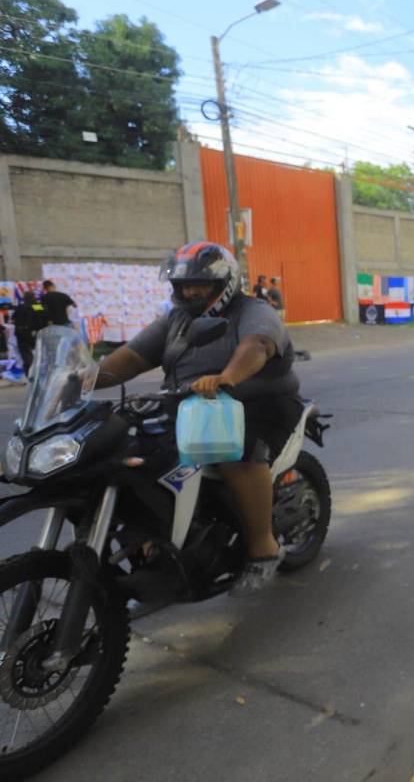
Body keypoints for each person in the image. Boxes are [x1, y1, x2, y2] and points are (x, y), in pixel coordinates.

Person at [95, 241, 301, 597]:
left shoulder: (253, 311)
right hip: (191, 404)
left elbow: (257, 345)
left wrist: (227, 377)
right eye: (183, 285)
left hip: (256, 402)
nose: (189, 291)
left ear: (225, 284)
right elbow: (130, 357)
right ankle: (158, 544)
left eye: (199, 285)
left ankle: (262, 547)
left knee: (232, 453)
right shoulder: (175, 321)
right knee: (131, 456)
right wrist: (82, 379)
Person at [12, 291, 47, 376]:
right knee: (39, 354)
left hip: (21, 334)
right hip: (35, 334)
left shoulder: (20, 307)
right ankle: (39, 371)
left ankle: (29, 372)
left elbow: (13, 319)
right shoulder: (37, 306)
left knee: (25, 354)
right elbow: (43, 317)